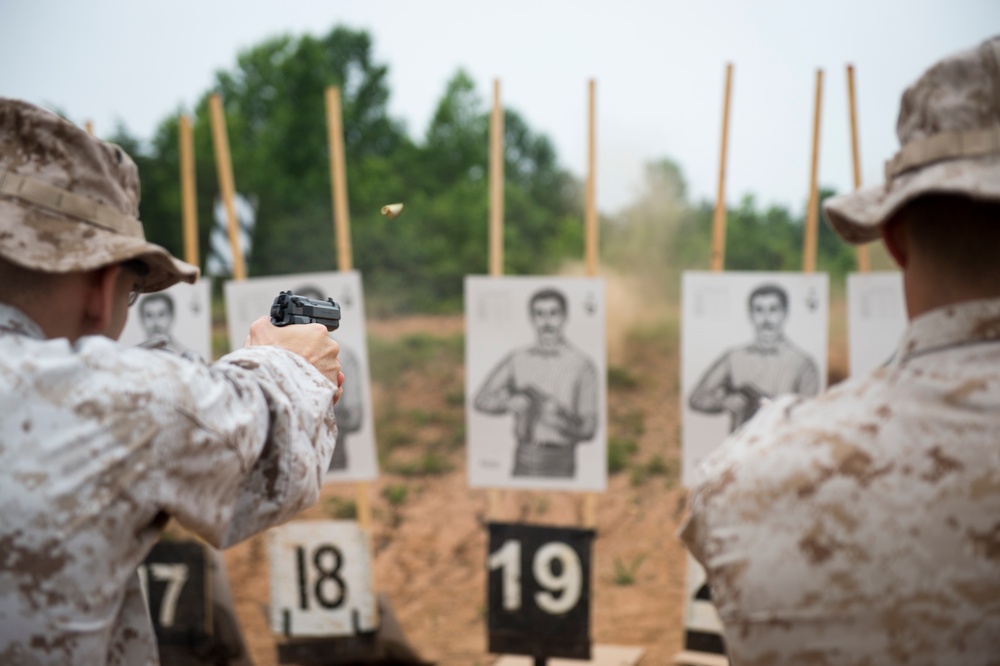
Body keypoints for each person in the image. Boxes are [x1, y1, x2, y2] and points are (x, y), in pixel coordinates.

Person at [679, 36, 1000, 664]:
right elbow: (702, 393)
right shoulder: (744, 381)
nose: (769, 320)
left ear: (896, 239)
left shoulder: (743, 476)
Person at [0, 98, 345, 664]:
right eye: (131, 293)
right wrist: (291, 363)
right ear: (100, 287)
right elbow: (266, 458)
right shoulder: (115, 399)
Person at [474, 287, 598, 478]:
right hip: (524, 456)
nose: (547, 322)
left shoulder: (582, 365)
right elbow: (480, 400)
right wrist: (507, 403)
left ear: (564, 317)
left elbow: (589, 429)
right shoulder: (516, 359)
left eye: (553, 313)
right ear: (531, 318)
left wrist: (560, 421)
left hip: (561, 459)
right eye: (540, 314)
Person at [688, 283, 820, 432]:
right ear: (751, 314)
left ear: (785, 313)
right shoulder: (734, 357)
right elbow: (697, 398)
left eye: (773, 309)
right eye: (759, 310)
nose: (766, 318)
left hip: (782, 448)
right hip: (740, 448)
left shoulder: (803, 364)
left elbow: (811, 417)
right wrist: (724, 402)